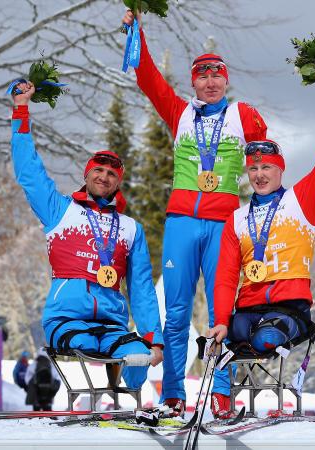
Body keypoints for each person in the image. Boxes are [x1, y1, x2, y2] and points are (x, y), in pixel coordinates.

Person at [120, 10, 268, 417]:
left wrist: (267, 209)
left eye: (216, 75)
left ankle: (221, 395)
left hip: (224, 223)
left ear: (226, 80)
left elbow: (266, 163)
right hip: (182, 222)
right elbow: (147, 76)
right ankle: (172, 394)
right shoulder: (179, 112)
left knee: (222, 311)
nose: (210, 82)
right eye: (202, 76)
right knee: (178, 311)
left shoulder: (244, 116)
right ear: (193, 83)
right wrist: (137, 32)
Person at [205, 62, 315, 418]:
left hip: (289, 309)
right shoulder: (237, 219)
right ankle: (223, 398)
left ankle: (270, 396)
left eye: (266, 167)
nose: (259, 174)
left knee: (264, 341)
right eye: (253, 168)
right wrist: (222, 320)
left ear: (280, 168)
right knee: (217, 339)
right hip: (248, 308)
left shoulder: (301, 200)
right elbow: (225, 276)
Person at [10, 81, 163, 393]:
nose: (104, 176)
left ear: (118, 183)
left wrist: (152, 338)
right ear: (87, 174)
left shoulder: (130, 228)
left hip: (110, 324)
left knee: (138, 355)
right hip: (66, 320)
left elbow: (142, 289)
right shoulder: (59, 211)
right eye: (98, 170)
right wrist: (20, 110)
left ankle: (126, 399)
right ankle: (98, 397)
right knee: (84, 342)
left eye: (111, 174)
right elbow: (28, 171)